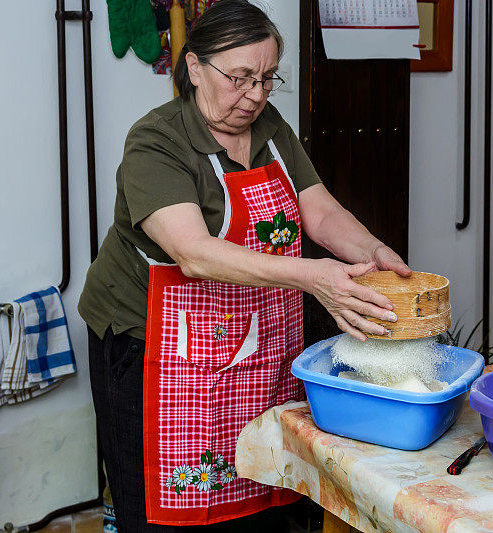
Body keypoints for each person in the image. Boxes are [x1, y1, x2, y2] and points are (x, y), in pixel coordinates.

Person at [78, 0, 410, 530]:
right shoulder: (157, 141)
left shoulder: (270, 128)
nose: (255, 95)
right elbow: (194, 252)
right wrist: (313, 276)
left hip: (253, 342)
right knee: (163, 509)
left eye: (266, 78)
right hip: (152, 348)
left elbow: (318, 210)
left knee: (266, 488)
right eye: (239, 77)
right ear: (194, 68)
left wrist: (374, 253)